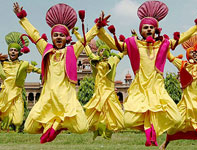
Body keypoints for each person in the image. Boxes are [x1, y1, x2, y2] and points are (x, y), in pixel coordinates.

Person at [94, 0, 197, 147]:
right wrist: (101, 29)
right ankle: (149, 132)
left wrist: (196, 27)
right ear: (141, 31)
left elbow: (182, 38)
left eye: (151, 27)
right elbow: (113, 45)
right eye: (145, 27)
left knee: (177, 119)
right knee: (128, 120)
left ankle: (152, 133)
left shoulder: (163, 44)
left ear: (156, 30)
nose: (148, 29)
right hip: (139, 89)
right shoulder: (133, 44)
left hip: (157, 90)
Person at [13, 2, 100, 143]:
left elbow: (85, 39)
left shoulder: (71, 51)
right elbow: (34, 35)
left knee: (82, 127)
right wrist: (22, 18)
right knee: (29, 127)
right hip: (48, 96)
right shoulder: (46, 49)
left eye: (62, 35)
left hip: (67, 97)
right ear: (52, 37)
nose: (58, 37)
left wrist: (97, 26)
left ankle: (56, 124)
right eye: (55, 35)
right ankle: (55, 124)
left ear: (67, 38)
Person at [160, 34, 197, 150]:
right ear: (187, 53)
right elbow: (169, 57)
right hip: (186, 102)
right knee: (176, 122)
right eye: (192, 52)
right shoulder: (183, 64)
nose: (195, 54)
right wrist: (166, 43)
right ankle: (165, 143)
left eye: (196, 52)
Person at [73, 29, 125, 139]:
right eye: (101, 50)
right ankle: (97, 130)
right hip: (99, 92)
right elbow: (86, 48)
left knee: (114, 115)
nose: (104, 52)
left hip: (109, 92)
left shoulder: (113, 61)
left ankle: (108, 131)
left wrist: (132, 41)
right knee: (96, 113)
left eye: (106, 50)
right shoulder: (96, 62)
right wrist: (77, 34)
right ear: (98, 52)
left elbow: (123, 52)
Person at [0, 31, 41, 132]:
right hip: (5, 94)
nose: (13, 52)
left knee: (18, 120)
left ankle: (14, 128)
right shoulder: (3, 64)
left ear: (19, 52)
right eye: (11, 50)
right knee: (6, 117)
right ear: (8, 52)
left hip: (17, 94)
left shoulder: (24, 64)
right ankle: (7, 131)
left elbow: (37, 70)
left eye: (15, 50)